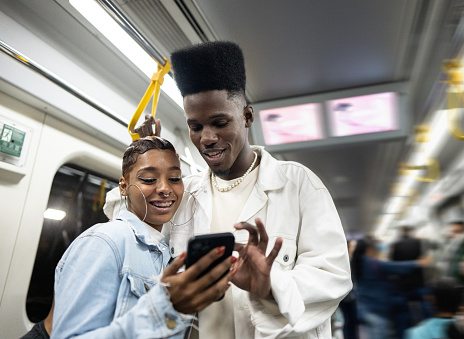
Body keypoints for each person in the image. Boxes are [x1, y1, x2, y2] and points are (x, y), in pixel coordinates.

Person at [107, 41, 352, 338]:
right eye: (195, 127)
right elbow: (126, 220)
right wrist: (144, 156)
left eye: (220, 123)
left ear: (247, 117)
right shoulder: (185, 194)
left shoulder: (300, 185)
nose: (207, 138)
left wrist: (271, 285)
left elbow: (334, 276)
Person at [52, 137, 237, 338]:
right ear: (123, 187)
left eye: (175, 179)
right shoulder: (104, 242)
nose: (165, 189)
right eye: (149, 180)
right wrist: (165, 307)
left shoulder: (164, 252)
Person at [351, 236, 430, 339]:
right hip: (377, 310)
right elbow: (396, 267)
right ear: (369, 249)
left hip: (364, 308)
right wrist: (418, 263)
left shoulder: (358, 262)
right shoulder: (372, 263)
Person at [388, 225, 432, 337]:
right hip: (420, 282)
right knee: (425, 310)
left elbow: (393, 265)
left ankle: (405, 335)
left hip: (402, 285)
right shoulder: (419, 243)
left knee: (403, 315)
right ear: (411, 232)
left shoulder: (395, 245)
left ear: (401, 232)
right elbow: (426, 261)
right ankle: (428, 333)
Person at [439, 220, 464, 284]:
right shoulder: (454, 245)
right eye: (450, 232)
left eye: (455, 232)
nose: (451, 235)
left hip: (462, 284)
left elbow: (463, 267)